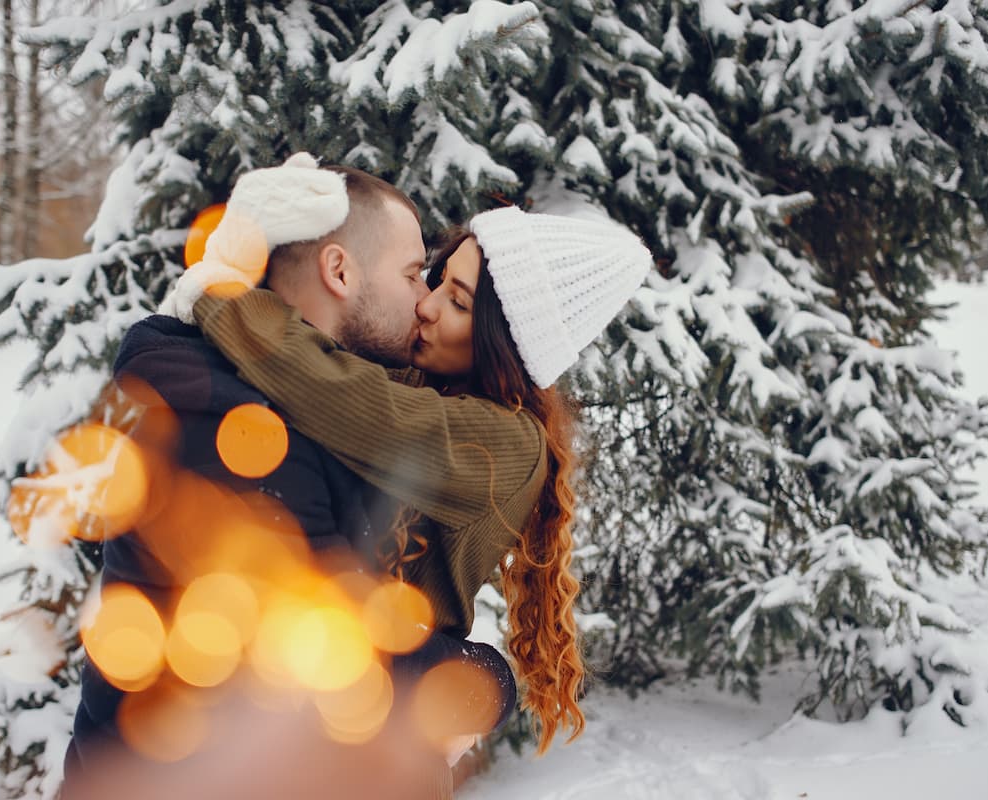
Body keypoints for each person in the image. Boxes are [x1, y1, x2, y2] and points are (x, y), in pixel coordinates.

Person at [62, 155, 516, 799]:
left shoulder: (281, 400)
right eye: (415, 275)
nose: (424, 302)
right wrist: (488, 681)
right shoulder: (230, 423)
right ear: (339, 271)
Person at [175, 198, 653, 756]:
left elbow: (340, 394)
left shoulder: (508, 443)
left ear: (504, 341)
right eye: (436, 281)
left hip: (376, 747)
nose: (425, 306)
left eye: (457, 301)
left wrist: (221, 294)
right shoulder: (426, 385)